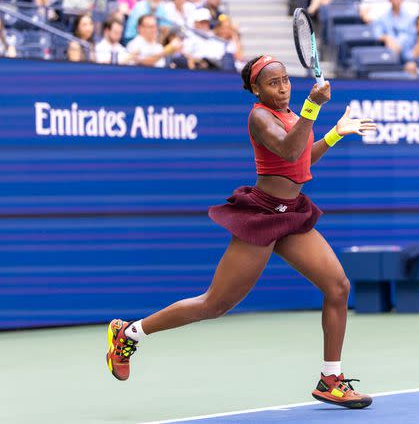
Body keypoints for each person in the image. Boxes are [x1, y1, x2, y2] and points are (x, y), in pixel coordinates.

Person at [105, 55, 377, 409]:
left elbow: (300, 160)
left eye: (285, 81)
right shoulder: (260, 116)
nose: (282, 88)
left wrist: (335, 134)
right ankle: (128, 333)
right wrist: (313, 104)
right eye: (272, 83)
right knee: (214, 304)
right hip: (262, 215)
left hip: (291, 215)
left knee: (338, 286)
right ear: (255, 89)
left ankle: (331, 379)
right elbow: (289, 148)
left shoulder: (291, 115)